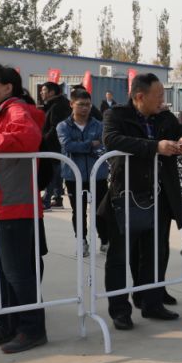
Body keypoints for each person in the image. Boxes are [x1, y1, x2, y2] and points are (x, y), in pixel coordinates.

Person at [99, 72, 182, 328]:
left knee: (155, 253)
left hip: (161, 195)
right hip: (128, 195)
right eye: (158, 95)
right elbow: (111, 139)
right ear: (140, 96)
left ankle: (152, 303)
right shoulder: (117, 115)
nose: (163, 100)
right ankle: (120, 310)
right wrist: (155, 147)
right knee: (119, 256)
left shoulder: (164, 117)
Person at [0, 64, 49, 354]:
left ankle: (32, 329)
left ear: (6, 87)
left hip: (13, 206)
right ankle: (7, 324)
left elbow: (27, 138)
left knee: (19, 274)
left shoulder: (16, 109)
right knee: (1, 274)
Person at [56, 89, 108, 257]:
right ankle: (82, 241)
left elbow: (103, 147)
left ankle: (105, 240)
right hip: (73, 176)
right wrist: (90, 145)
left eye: (88, 104)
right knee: (78, 211)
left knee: (101, 210)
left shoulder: (99, 125)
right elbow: (68, 146)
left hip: (98, 175)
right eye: (81, 105)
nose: (85, 108)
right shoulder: (63, 126)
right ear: (72, 104)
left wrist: (83, 146)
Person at [39, 81, 70, 209]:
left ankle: (46, 200)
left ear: (51, 92)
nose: (41, 93)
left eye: (44, 90)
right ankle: (57, 198)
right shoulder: (52, 104)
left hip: (54, 144)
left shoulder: (58, 106)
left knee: (52, 171)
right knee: (56, 172)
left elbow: (54, 127)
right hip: (53, 144)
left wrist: (43, 140)